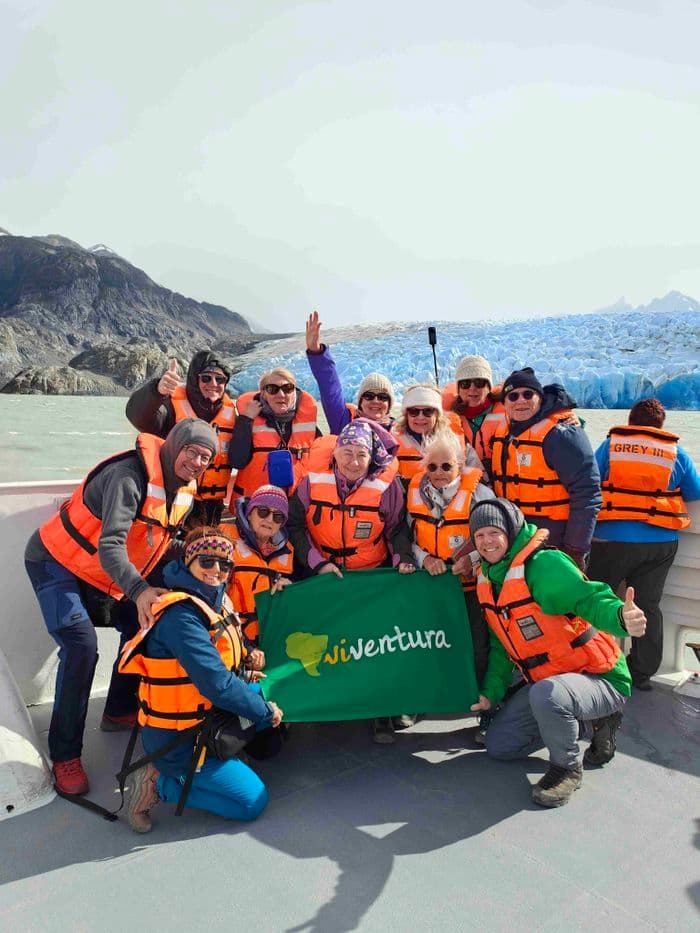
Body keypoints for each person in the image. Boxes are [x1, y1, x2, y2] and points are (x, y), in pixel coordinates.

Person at [24, 419, 218, 796]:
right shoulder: (128, 477)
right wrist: (141, 590)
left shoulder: (183, 491)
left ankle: (116, 710)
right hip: (55, 561)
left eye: (205, 458)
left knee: (144, 624)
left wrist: (208, 553)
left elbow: (161, 541)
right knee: (81, 647)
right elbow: (111, 545)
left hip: (102, 574)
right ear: (173, 446)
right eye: (191, 451)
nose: (196, 462)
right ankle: (64, 754)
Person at [468, 498, 647, 808]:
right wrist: (491, 694)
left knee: (547, 696)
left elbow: (592, 600)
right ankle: (572, 722)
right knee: (500, 746)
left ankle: (567, 768)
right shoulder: (487, 579)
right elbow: (501, 647)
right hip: (550, 682)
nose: (486, 542)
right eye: (479, 535)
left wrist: (622, 618)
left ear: (511, 531)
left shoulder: (544, 565)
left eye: (494, 533)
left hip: (599, 677)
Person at [119, 526, 283, 832]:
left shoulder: (217, 602)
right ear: (188, 562)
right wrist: (264, 710)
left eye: (224, 564)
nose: (216, 570)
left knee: (272, 726)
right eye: (206, 561)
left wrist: (246, 667)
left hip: (211, 714)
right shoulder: (180, 616)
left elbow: (221, 658)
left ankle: (232, 756)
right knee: (251, 802)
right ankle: (159, 783)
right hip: (183, 740)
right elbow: (216, 684)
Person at [287, 418, 416, 744]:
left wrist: (402, 559)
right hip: (326, 577)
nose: (353, 461)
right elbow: (294, 526)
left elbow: (398, 529)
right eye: (346, 452)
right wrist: (317, 564)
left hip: (370, 577)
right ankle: (332, 705)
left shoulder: (386, 487)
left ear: (372, 456)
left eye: (361, 454)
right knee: (329, 644)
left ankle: (382, 712)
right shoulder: (312, 483)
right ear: (335, 453)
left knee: (375, 646)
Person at [588, 398, 700, 690]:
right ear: (661, 425)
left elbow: (589, 480)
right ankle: (641, 673)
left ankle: (593, 662)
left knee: (595, 600)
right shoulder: (675, 452)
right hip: (660, 544)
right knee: (648, 605)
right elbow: (694, 491)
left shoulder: (612, 445)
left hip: (611, 540)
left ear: (629, 421)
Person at [406, 430, 494, 687]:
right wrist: (424, 559)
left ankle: (477, 695)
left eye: (446, 465)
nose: (439, 472)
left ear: (459, 464)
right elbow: (405, 535)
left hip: (471, 587)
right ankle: (429, 694)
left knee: (477, 643)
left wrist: (474, 560)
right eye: (432, 466)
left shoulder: (480, 496)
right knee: (427, 641)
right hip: (431, 585)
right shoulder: (414, 494)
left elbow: (499, 539)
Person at [490, 367, 601, 568]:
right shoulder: (505, 434)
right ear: (505, 403)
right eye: (513, 396)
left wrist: (575, 549)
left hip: (554, 540)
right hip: (516, 537)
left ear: (540, 397)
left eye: (528, 394)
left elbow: (587, 492)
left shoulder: (561, 435)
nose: (520, 400)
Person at [125, 351, 236, 523]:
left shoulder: (231, 413)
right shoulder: (171, 404)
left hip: (211, 506)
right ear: (194, 379)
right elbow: (139, 417)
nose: (213, 384)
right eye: (206, 378)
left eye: (220, 379)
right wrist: (157, 392)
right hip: (173, 499)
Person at [228, 366, 320, 503]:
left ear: (294, 392)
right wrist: (246, 419)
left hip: (295, 508)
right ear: (263, 394)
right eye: (272, 389)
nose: (281, 395)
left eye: (287, 388)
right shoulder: (248, 421)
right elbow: (237, 461)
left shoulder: (308, 425)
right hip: (256, 508)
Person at [305, 310, 396, 432]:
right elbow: (330, 389)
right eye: (369, 396)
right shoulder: (344, 422)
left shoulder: (402, 431)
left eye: (383, 397)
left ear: (389, 404)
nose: (375, 401)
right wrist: (317, 353)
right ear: (360, 401)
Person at [227, 484, 294, 645]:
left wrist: (291, 588)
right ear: (250, 513)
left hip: (271, 639)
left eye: (278, 517)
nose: (270, 519)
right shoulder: (224, 540)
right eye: (263, 511)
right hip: (232, 637)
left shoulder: (289, 551)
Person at [392, 384, 482, 484]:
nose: (421, 417)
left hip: (451, 498)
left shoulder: (456, 442)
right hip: (409, 498)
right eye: (414, 411)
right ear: (406, 414)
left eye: (428, 411)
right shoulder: (392, 444)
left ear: (437, 414)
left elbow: (478, 477)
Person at [442, 355, 506, 479]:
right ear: (459, 389)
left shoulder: (509, 412)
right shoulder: (446, 420)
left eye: (479, 383)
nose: (472, 388)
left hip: (502, 485)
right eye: (465, 383)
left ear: (488, 387)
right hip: (466, 486)